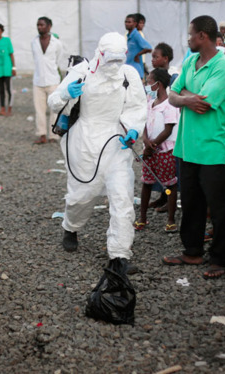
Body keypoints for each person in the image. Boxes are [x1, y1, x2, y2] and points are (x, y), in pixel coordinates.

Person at [47, 32, 146, 272]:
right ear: (99, 54)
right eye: (109, 60)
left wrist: (133, 129)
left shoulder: (129, 75)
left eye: (118, 60)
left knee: (122, 198)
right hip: (85, 143)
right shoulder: (81, 72)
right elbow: (53, 102)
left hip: (116, 143)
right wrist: (65, 94)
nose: (114, 65)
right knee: (81, 196)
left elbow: (137, 106)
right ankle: (70, 227)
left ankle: (119, 255)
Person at [160, 15, 225, 280]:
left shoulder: (223, 66)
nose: (188, 38)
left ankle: (220, 258)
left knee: (217, 206)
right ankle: (192, 251)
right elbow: (172, 94)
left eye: (191, 34)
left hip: (214, 148)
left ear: (203, 35)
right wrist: (185, 98)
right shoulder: (191, 61)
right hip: (187, 147)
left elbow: (205, 102)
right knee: (190, 202)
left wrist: (183, 98)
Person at [134, 68, 179, 233]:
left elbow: (168, 129)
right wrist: (146, 141)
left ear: (157, 85)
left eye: (148, 82)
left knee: (169, 185)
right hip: (149, 150)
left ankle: (171, 220)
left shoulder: (170, 105)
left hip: (165, 151)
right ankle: (142, 218)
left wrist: (153, 145)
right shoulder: (149, 103)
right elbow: (144, 124)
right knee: (146, 182)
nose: (146, 85)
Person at [31, 16, 63, 144]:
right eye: (38, 25)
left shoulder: (57, 43)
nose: (39, 27)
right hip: (38, 81)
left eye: (42, 25)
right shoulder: (33, 42)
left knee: (54, 109)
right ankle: (42, 134)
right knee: (39, 110)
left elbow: (59, 60)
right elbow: (36, 59)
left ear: (49, 26)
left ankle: (53, 135)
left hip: (53, 80)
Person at [0, 23, 16, 117]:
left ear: (2, 32)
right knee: (1, 90)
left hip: (7, 69)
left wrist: (14, 68)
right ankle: (2, 109)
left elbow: (11, 54)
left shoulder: (7, 41)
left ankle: (9, 109)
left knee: (9, 89)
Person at [125, 14, 152, 79]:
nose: (127, 24)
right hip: (129, 69)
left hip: (136, 71)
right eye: (126, 22)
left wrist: (137, 55)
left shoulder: (136, 34)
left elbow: (149, 48)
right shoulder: (129, 35)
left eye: (129, 22)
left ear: (134, 23)